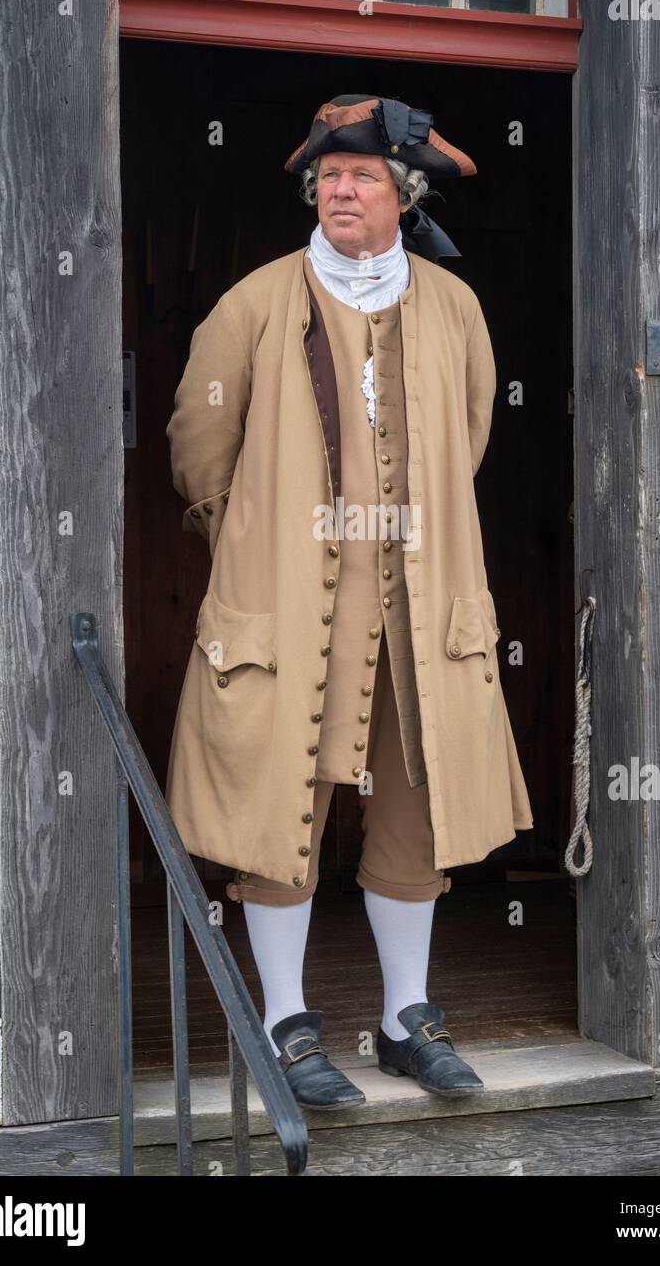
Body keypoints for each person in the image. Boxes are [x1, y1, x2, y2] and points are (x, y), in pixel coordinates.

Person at [164, 94, 534, 1108]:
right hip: (283, 610)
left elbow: (470, 432)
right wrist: (250, 542)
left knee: (416, 809)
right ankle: (284, 1019)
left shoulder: (455, 308)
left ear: (402, 196)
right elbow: (199, 447)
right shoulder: (252, 304)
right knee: (276, 809)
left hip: (420, 605)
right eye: (327, 178)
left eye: (362, 176)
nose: (339, 190)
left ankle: (405, 1018)